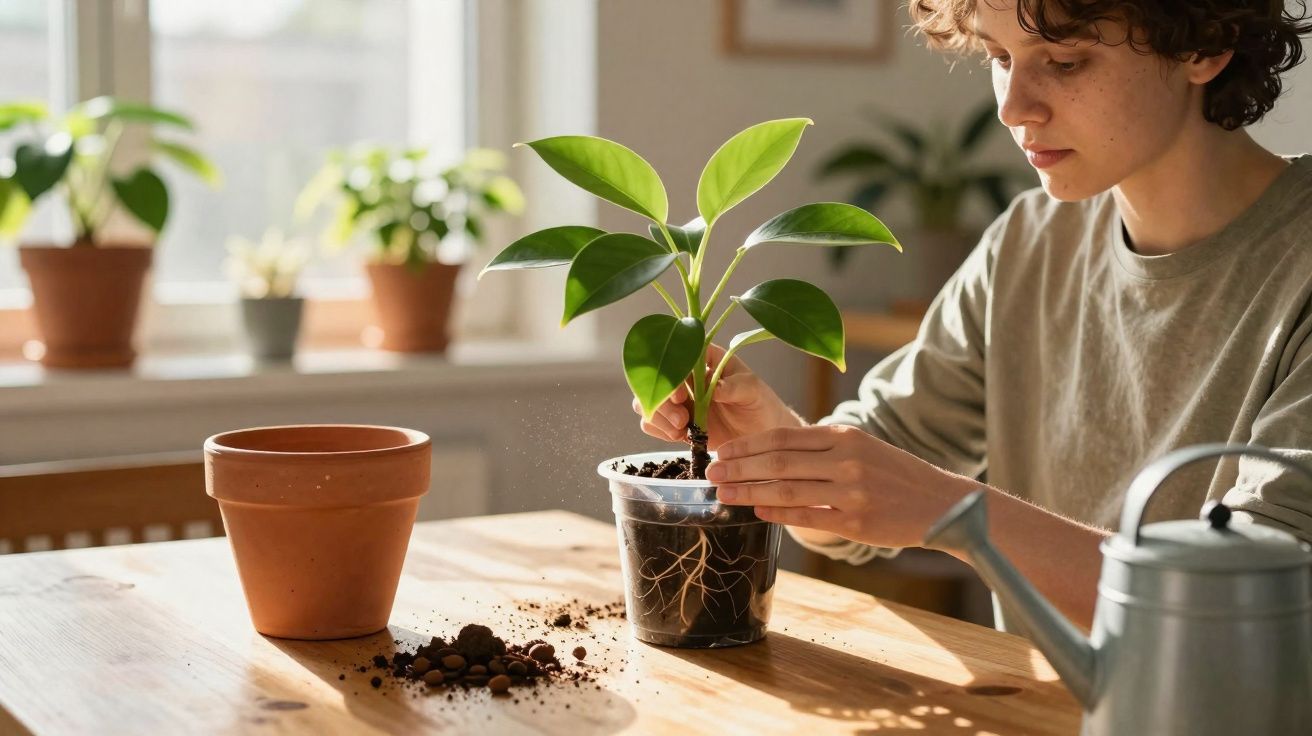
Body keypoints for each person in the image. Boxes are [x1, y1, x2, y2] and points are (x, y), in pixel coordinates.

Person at [634, 0, 1312, 631]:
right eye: (998, 57)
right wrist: (770, 440)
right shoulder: (1029, 241)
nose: (1014, 109)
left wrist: (954, 512)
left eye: (1066, 61)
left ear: (1206, 43)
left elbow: (1255, 609)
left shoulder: (1296, 265)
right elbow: (861, 501)